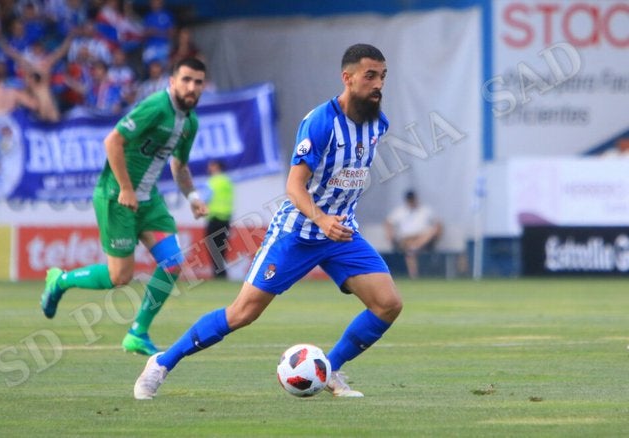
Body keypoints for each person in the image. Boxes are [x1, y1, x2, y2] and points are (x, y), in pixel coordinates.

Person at [133, 43, 403, 399]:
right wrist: (321, 219)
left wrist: (334, 218)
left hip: (339, 233)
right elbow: (293, 185)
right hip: (297, 232)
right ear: (347, 78)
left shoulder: (377, 124)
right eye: (370, 76)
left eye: (382, 76)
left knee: (388, 304)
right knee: (242, 313)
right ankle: (162, 363)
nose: (378, 83)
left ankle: (331, 370)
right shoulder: (321, 122)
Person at [40, 57, 209, 356]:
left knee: (172, 263)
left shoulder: (190, 122)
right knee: (120, 278)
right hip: (117, 196)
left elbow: (179, 165)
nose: (191, 87)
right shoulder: (157, 107)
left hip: (148, 200)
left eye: (197, 82)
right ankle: (60, 280)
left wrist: (194, 198)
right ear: (172, 81)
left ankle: (137, 332)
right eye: (186, 79)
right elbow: (113, 141)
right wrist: (127, 189)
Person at [384, 190, 442, 279]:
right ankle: (414, 251)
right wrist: (390, 235)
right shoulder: (400, 211)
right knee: (410, 248)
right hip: (406, 239)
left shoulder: (425, 210)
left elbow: (437, 224)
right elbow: (388, 223)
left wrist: (437, 234)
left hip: (423, 239)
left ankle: (414, 247)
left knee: (430, 231)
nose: (411, 202)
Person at [203, 159, 234, 279]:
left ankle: (218, 273)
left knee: (213, 246)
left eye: (211, 165)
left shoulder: (213, 181)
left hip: (215, 217)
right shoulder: (227, 181)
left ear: (217, 167)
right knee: (222, 246)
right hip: (226, 217)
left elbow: (206, 198)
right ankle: (222, 273)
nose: (209, 168)